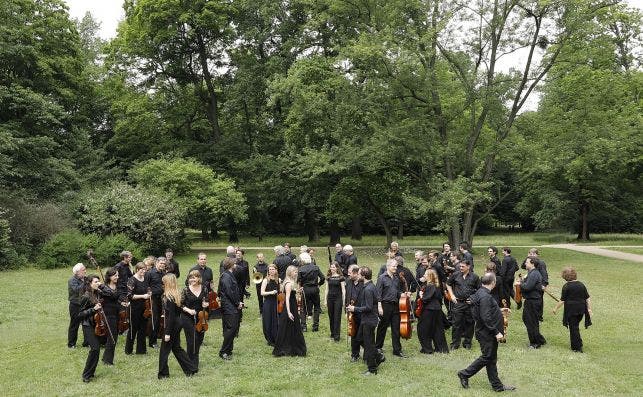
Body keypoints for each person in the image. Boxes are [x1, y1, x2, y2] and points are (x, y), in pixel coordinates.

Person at [457, 273, 516, 392]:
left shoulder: (480, 293)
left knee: (491, 359)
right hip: (487, 333)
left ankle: (497, 386)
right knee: (487, 357)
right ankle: (464, 374)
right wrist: (496, 332)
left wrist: (499, 310)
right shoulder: (485, 297)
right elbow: (485, 317)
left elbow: (484, 311)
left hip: (484, 331)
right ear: (493, 283)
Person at [158, 274, 197, 379]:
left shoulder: (169, 297)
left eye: (163, 282)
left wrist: (167, 333)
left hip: (172, 325)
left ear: (167, 283)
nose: (162, 284)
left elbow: (170, 317)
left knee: (164, 351)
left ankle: (163, 374)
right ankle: (191, 369)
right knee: (176, 348)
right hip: (177, 323)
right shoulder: (176, 295)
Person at [347, 266, 383, 375]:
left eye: (358, 274)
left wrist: (354, 308)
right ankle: (378, 356)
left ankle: (372, 369)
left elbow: (368, 307)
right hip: (365, 320)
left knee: (369, 345)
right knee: (359, 339)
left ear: (363, 276)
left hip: (369, 320)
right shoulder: (370, 285)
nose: (357, 275)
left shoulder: (368, 289)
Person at [552, 267, 592, 352]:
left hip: (571, 310)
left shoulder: (566, 287)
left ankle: (577, 348)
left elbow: (562, 300)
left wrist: (555, 308)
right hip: (581, 310)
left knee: (573, 328)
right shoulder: (581, 284)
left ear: (565, 276)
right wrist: (589, 309)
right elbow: (587, 298)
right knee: (575, 326)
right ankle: (578, 344)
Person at [375, 258, 408, 358]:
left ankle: (397, 350)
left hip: (395, 306)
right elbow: (378, 294)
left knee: (396, 328)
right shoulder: (381, 278)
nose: (395, 268)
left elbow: (397, 292)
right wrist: (379, 306)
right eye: (394, 266)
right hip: (385, 305)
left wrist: (402, 294)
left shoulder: (396, 278)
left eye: (396, 266)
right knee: (382, 327)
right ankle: (378, 347)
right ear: (388, 266)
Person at [273, 265, 307, 357]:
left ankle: (292, 347)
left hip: (292, 306)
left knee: (291, 326)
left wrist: (297, 290)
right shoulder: (288, 284)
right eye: (295, 272)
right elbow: (287, 298)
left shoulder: (291, 282)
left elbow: (291, 294)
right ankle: (287, 348)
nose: (296, 273)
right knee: (289, 326)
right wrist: (288, 312)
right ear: (290, 273)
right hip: (289, 307)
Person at [446, 260, 480, 350]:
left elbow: (480, 290)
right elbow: (448, 284)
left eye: (463, 266)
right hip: (458, 303)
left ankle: (467, 343)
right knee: (456, 323)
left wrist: (473, 299)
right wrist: (452, 295)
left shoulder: (475, 277)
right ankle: (455, 343)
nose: (460, 268)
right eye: (460, 266)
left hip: (469, 304)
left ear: (468, 267)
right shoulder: (455, 275)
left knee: (470, 323)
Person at [180, 269, 209, 371]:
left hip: (201, 317)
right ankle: (191, 364)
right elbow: (180, 304)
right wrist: (188, 310)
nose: (192, 279)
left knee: (199, 339)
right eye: (190, 277)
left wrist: (206, 304)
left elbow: (207, 300)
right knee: (192, 340)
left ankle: (193, 360)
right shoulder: (185, 290)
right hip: (187, 317)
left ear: (199, 278)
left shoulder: (204, 288)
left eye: (194, 277)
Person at [417, 269, 449, 354]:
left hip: (429, 310)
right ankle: (441, 348)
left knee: (423, 329)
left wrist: (421, 295)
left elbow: (426, 299)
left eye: (425, 275)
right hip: (437, 310)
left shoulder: (430, 286)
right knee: (437, 329)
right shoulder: (437, 286)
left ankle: (427, 349)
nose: (424, 276)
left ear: (429, 276)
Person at [78, 275, 103, 382]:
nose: (98, 283)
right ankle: (86, 375)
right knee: (95, 349)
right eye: (96, 282)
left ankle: (91, 372)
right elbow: (79, 314)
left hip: (97, 324)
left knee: (96, 350)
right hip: (87, 325)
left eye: (99, 281)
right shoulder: (85, 296)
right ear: (89, 283)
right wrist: (93, 309)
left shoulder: (97, 293)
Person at [517, 257, 546, 348]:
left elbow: (528, 287)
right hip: (530, 301)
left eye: (527, 262)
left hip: (533, 301)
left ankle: (535, 343)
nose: (525, 264)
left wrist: (520, 284)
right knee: (527, 319)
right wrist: (522, 281)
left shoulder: (534, 274)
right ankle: (540, 339)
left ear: (532, 263)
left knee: (531, 322)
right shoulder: (532, 273)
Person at [218, 257, 243, 360]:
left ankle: (229, 350)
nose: (236, 265)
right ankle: (223, 351)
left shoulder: (228, 275)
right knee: (231, 329)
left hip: (230, 305)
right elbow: (230, 292)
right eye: (235, 264)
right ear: (230, 265)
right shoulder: (226, 276)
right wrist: (237, 303)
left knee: (232, 328)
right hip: (229, 306)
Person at [99, 267, 124, 366]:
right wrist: (103, 287)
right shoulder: (103, 288)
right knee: (112, 337)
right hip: (108, 314)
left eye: (118, 275)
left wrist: (122, 302)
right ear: (109, 277)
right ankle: (108, 360)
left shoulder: (117, 286)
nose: (117, 277)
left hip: (117, 313)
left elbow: (117, 298)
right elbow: (112, 296)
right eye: (115, 276)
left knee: (114, 336)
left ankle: (106, 358)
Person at [125, 262, 150, 355]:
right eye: (142, 269)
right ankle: (128, 350)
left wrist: (149, 292)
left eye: (145, 269)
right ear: (137, 269)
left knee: (143, 328)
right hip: (134, 308)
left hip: (145, 308)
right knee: (133, 329)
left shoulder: (145, 278)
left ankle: (141, 350)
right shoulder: (132, 280)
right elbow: (129, 296)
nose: (144, 271)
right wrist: (143, 296)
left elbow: (148, 288)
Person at [298, 252, 325, 332]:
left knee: (303, 308)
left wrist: (300, 287)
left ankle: (303, 326)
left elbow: (299, 281)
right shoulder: (316, 267)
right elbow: (323, 277)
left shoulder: (301, 269)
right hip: (314, 289)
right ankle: (315, 326)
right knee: (316, 307)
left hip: (305, 289)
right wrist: (319, 284)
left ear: (302, 260)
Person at [521, 248, 549, 321]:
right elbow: (523, 266)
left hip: (539, 284)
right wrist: (527, 258)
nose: (532, 255)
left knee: (539, 299)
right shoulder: (529, 262)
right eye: (530, 253)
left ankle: (539, 316)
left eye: (533, 254)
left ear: (537, 254)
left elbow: (544, 274)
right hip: (531, 281)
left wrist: (544, 284)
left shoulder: (541, 263)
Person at [145, 257, 166, 348]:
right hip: (152, 299)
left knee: (159, 320)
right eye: (161, 263)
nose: (162, 265)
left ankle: (156, 338)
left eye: (164, 264)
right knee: (154, 320)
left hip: (160, 299)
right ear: (157, 262)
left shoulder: (163, 273)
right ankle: (152, 342)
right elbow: (146, 286)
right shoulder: (150, 273)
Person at [345, 264, 364, 362]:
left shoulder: (363, 283)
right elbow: (347, 296)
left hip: (362, 312)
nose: (348, 275)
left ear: (356, 273)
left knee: (362, 335)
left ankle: (370, 353)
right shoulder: (348, 282)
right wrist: (346, 310)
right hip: (351, 314)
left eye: (349, 273)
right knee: (353, 334)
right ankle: (354, 354)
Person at [68, 263, 88, 349]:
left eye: (85, 269)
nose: (85, 271)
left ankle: (87, 343)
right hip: (75, 305)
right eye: (83, 270)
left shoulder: (85, 279)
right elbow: (77, 290)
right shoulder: (72, 280)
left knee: (87, 324)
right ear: (77, 272)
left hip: (85, 304)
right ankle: (71, 344)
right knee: (74, 324)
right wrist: (85, 282)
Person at [325, 261, 346, 342]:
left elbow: (343, 290)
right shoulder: (328, 277)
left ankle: (337, 336)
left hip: (338, 299)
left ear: (337, 268)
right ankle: (332, 333)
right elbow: (327, 289)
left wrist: (344, 300)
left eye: (334, 267)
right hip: (330, 298)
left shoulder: (341, 277)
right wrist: (325, 300)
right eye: (331, 267)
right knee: (331, 316)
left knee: (337, 317)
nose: (332, 268)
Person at [260, 264, 280, 346]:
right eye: (270, 269)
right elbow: (262, 293)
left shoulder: (278, 280)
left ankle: (276, 337)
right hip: (268, 303)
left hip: (277, 302)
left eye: (273, 269)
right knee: (268, 320)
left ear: (276, 270)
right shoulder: (265, 280)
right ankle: (269, 339)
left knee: (276, 320)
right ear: (268, 271)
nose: (271, 271)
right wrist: (271, 292)